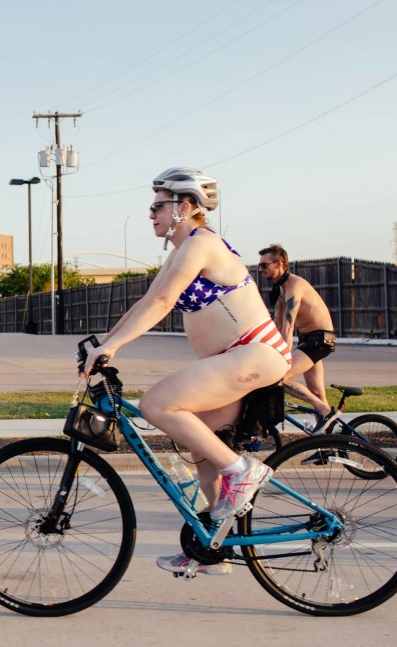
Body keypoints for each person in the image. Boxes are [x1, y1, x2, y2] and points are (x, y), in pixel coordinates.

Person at [83, 168, 291, 577]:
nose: (151, 214)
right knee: (199, 440)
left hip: (254, 353)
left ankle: (243, 474)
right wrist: (102, 344)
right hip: (238, 358)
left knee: (158, 404)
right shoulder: (181, 250)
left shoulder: (203, 244)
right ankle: (214, 546)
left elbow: (163, 301)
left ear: (186, 206)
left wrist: (112, 347)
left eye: (157, 206)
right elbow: (145, 302)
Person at [257, 244, 337, 430]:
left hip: (319, 340)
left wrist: (283, 356)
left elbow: (288, 325)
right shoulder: (281, 289)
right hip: (308, 340)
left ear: (279, 263)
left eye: (264, 265)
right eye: (259, 266)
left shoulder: (295, 286)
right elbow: (276, 325)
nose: (261, 270)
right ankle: (328, 444)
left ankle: (325, 411)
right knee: (318, 393)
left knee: (278, 377)